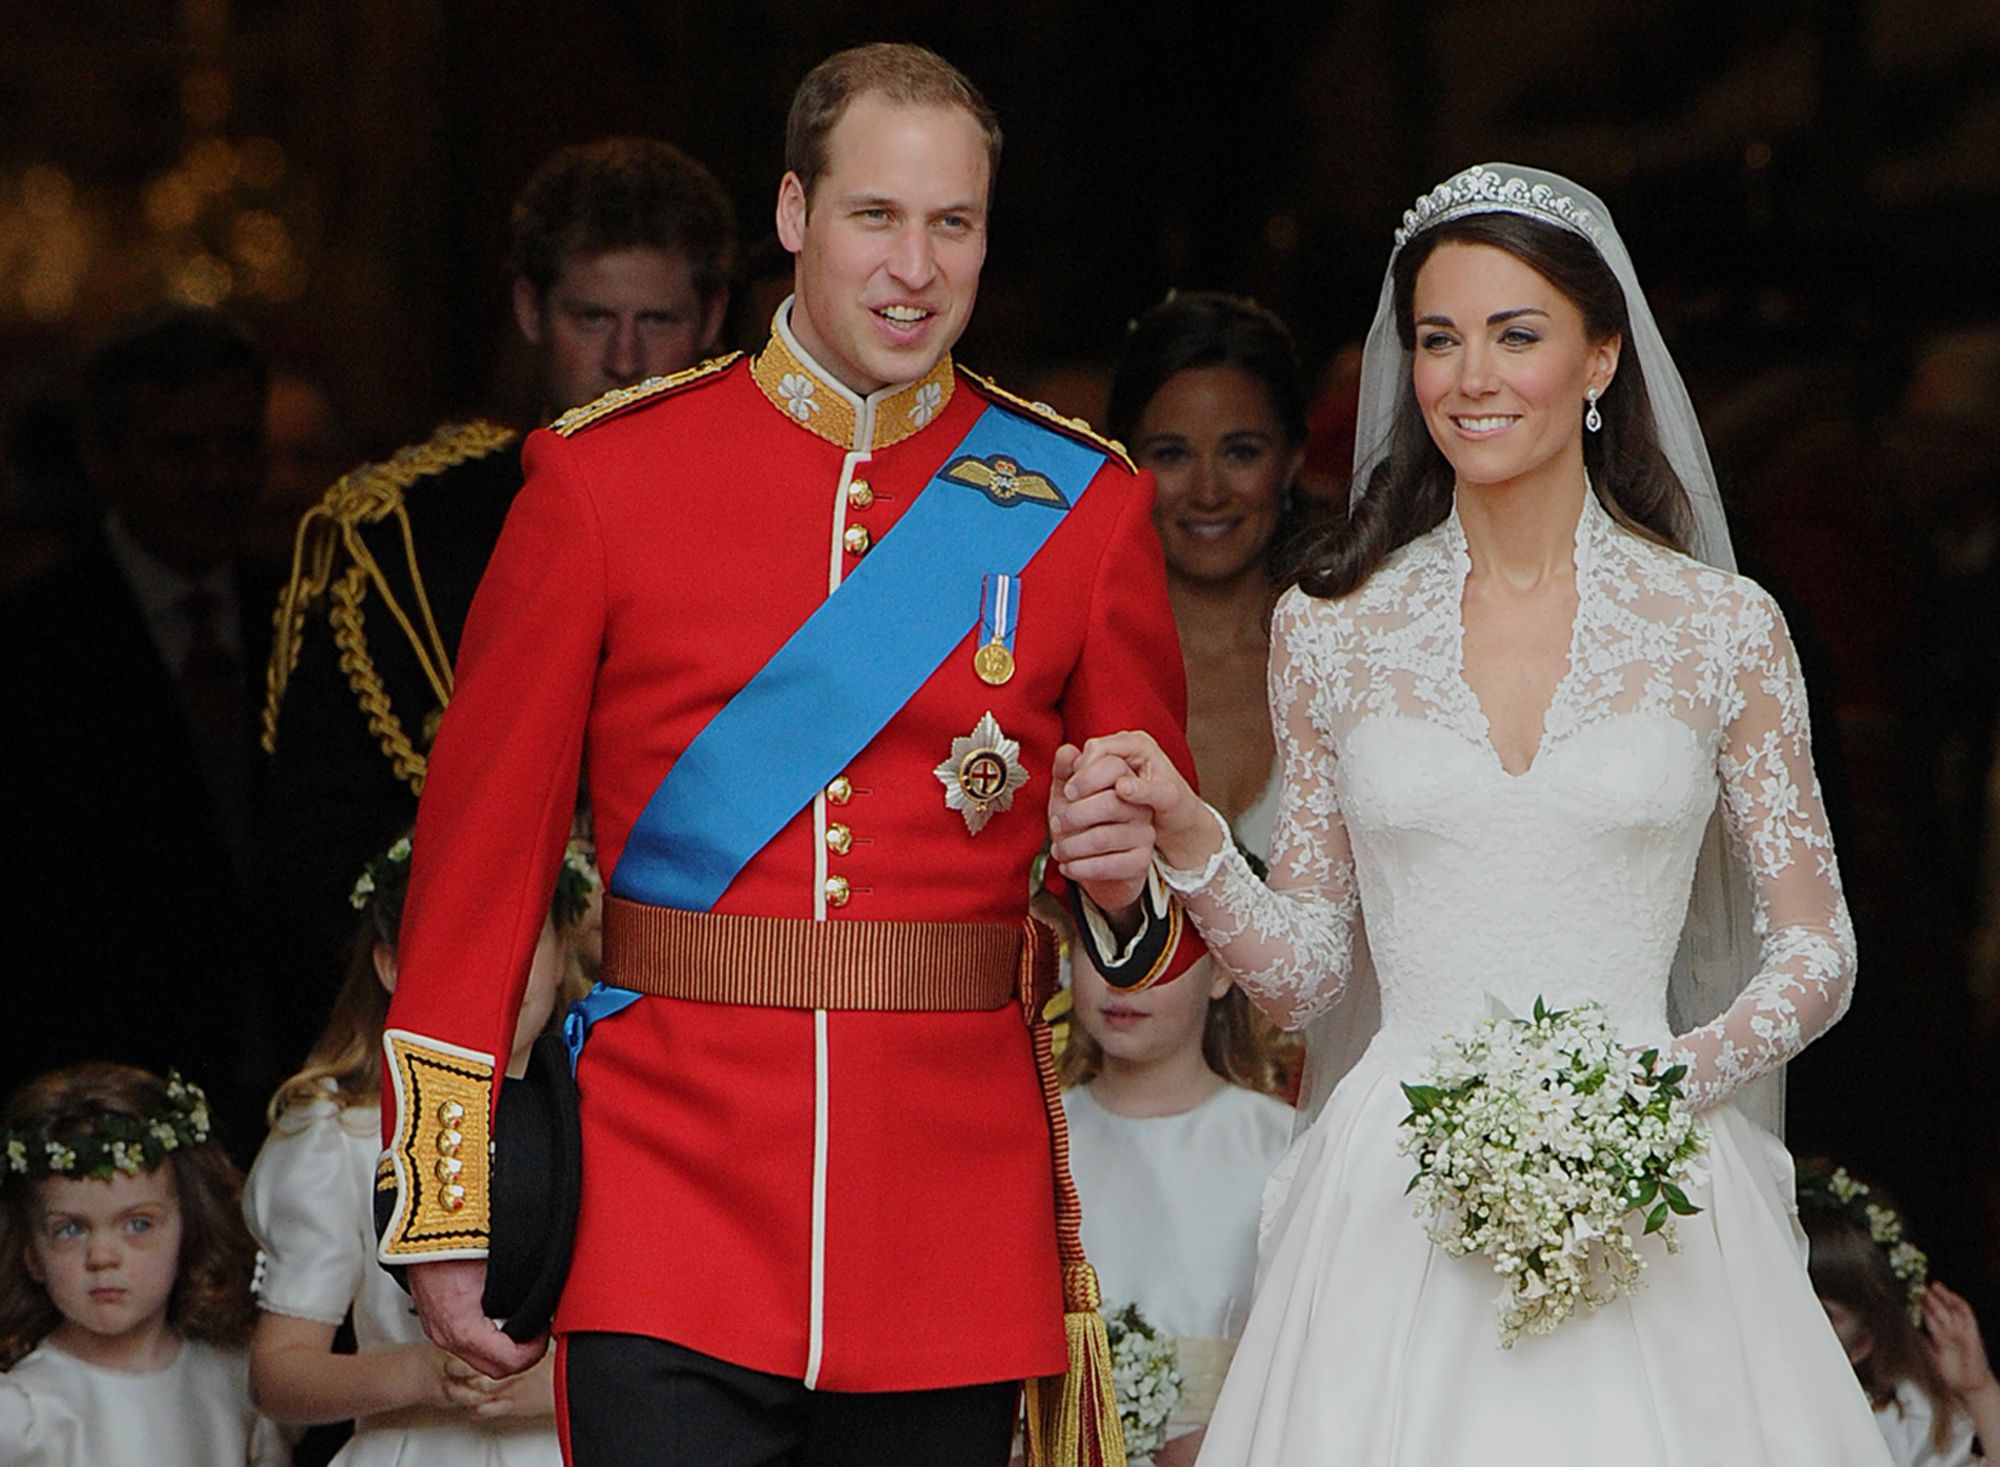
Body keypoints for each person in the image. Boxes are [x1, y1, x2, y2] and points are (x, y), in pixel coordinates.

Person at [375, 42, 1201, 1467]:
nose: (914, 265)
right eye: (876, 215)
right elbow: (479, 865)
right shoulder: (600, 479)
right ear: (790, 215)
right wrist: (444, 1205)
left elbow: (1163, 909)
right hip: (663, 1209)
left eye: (954, 223)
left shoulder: (1082, 506)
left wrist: (1129, 897)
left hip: (946, 1219)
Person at [1049, 163, 1894, 1463]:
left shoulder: (1721, 628)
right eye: (1439, 339)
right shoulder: (1331, 628)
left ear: (1602, 353)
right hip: (1394, 1192)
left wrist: (1653, 1091)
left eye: (1517, 334)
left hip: (1647, 1176)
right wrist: (1199, 844)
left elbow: (1816, 947)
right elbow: (1309, 972)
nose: (1471, 377)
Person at [257, 136, 737, 1063]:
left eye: (659, 320)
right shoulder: (396, 540)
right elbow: (317, 864)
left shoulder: (790, 520)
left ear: (715, 314)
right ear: (529, 309)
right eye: (592, 317)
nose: (626, 359)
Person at [0, 305, 277, 1148]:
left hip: (294, 1087)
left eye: (238, 444)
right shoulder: (28, 648)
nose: (217, 477)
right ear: (103, 458)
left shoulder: (314, 616)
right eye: (181, 450)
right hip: (106, 1112)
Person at [240, 831, 593, 1465]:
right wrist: (423, 1376)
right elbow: (279, 1375)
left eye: (521, 939)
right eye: (455, 944)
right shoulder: (341, 1133)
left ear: (563, 947)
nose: (493, 972)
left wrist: (568, 1385)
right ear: (390, 965)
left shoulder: (607, 1119)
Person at [1059, 921, 1291, 1466]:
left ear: (1221, 971)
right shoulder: (1037, 1138)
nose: (1125, 978)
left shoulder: (1278, 1145)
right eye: (1100, 947)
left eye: (1157, 950)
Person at [0, 1063, 287, 1466]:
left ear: (187, 1232)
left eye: (138, 1224)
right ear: (32, 1255)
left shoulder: (235, 1382)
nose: (102, 1256)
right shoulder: (21, 1414)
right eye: (70, 1230)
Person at [1105, 293, 1308, 860]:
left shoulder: (1344, 655)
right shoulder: (1079, 662)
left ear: (1293, 458)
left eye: (1241, 453)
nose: (1209, 492)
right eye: (1171, 455)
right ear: (1122, 463)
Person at [1801, 1163, 1998, 1466]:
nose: (1797, 1323)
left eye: (1823, 1314)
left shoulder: (1899, 1425)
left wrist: (1979, 1390)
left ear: (1862, 1343)